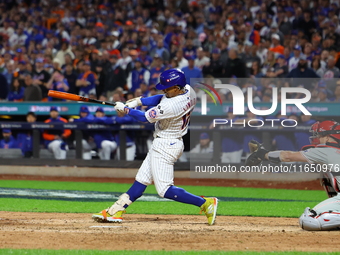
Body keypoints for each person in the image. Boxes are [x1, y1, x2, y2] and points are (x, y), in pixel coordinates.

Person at [92, 69, 218, 225]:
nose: (164, 90)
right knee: (141, 180)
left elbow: (145, 117)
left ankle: (205, 203)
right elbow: (161, 98)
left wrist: (126, 109)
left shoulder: (173, 105)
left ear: (177, 88)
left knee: (164, 190)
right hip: (165, 141)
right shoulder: (188, 90)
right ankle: (116, 210)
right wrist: (139, 101)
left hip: (167, 144)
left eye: (168, 87)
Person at [247, 120, 340, 231]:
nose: (318, 138)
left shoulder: (326, 151)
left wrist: (263, 154)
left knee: (308, 219)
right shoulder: (333, 151)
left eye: (320, 135)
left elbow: (288, 156)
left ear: (329, 137)